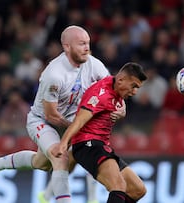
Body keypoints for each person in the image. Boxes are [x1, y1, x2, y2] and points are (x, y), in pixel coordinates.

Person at [0, 25, 125, 203]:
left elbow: (112, 89)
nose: (87, 48)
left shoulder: (94, 65)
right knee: (60, 157)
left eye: (88, 43)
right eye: (81, 44)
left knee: (41, 163)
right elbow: (51, 115)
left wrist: (120, 107)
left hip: (71, 122)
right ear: (67, 47)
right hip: (43, 121)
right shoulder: (54, 74)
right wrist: (78, 127)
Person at [52, 62, 147, 203]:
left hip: (101, 146)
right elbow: (79, 121)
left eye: (137, 88)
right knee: (118, 186)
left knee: (138, 190)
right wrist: (63, 143)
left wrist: (122, 111)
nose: (134, 92)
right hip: (87, 145)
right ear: (121, 80)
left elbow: (117, 102)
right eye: (133, 86)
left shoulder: (116, 86)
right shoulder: (100, 94)